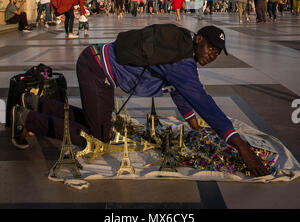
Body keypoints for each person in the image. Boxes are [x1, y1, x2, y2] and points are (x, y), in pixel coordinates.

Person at [11, 24, 269, 177]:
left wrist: (193, 125)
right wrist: (241, 146)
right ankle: (27, 118)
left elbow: (179, 92)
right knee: (97, 138)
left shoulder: (180, 51)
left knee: (96, 122)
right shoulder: (181, 61)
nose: (212, 55)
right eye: (210, 48)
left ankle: (35, 103)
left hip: (95, 61)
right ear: (198, 40)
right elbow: (204, 102)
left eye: (217, 53)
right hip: (96, 68)